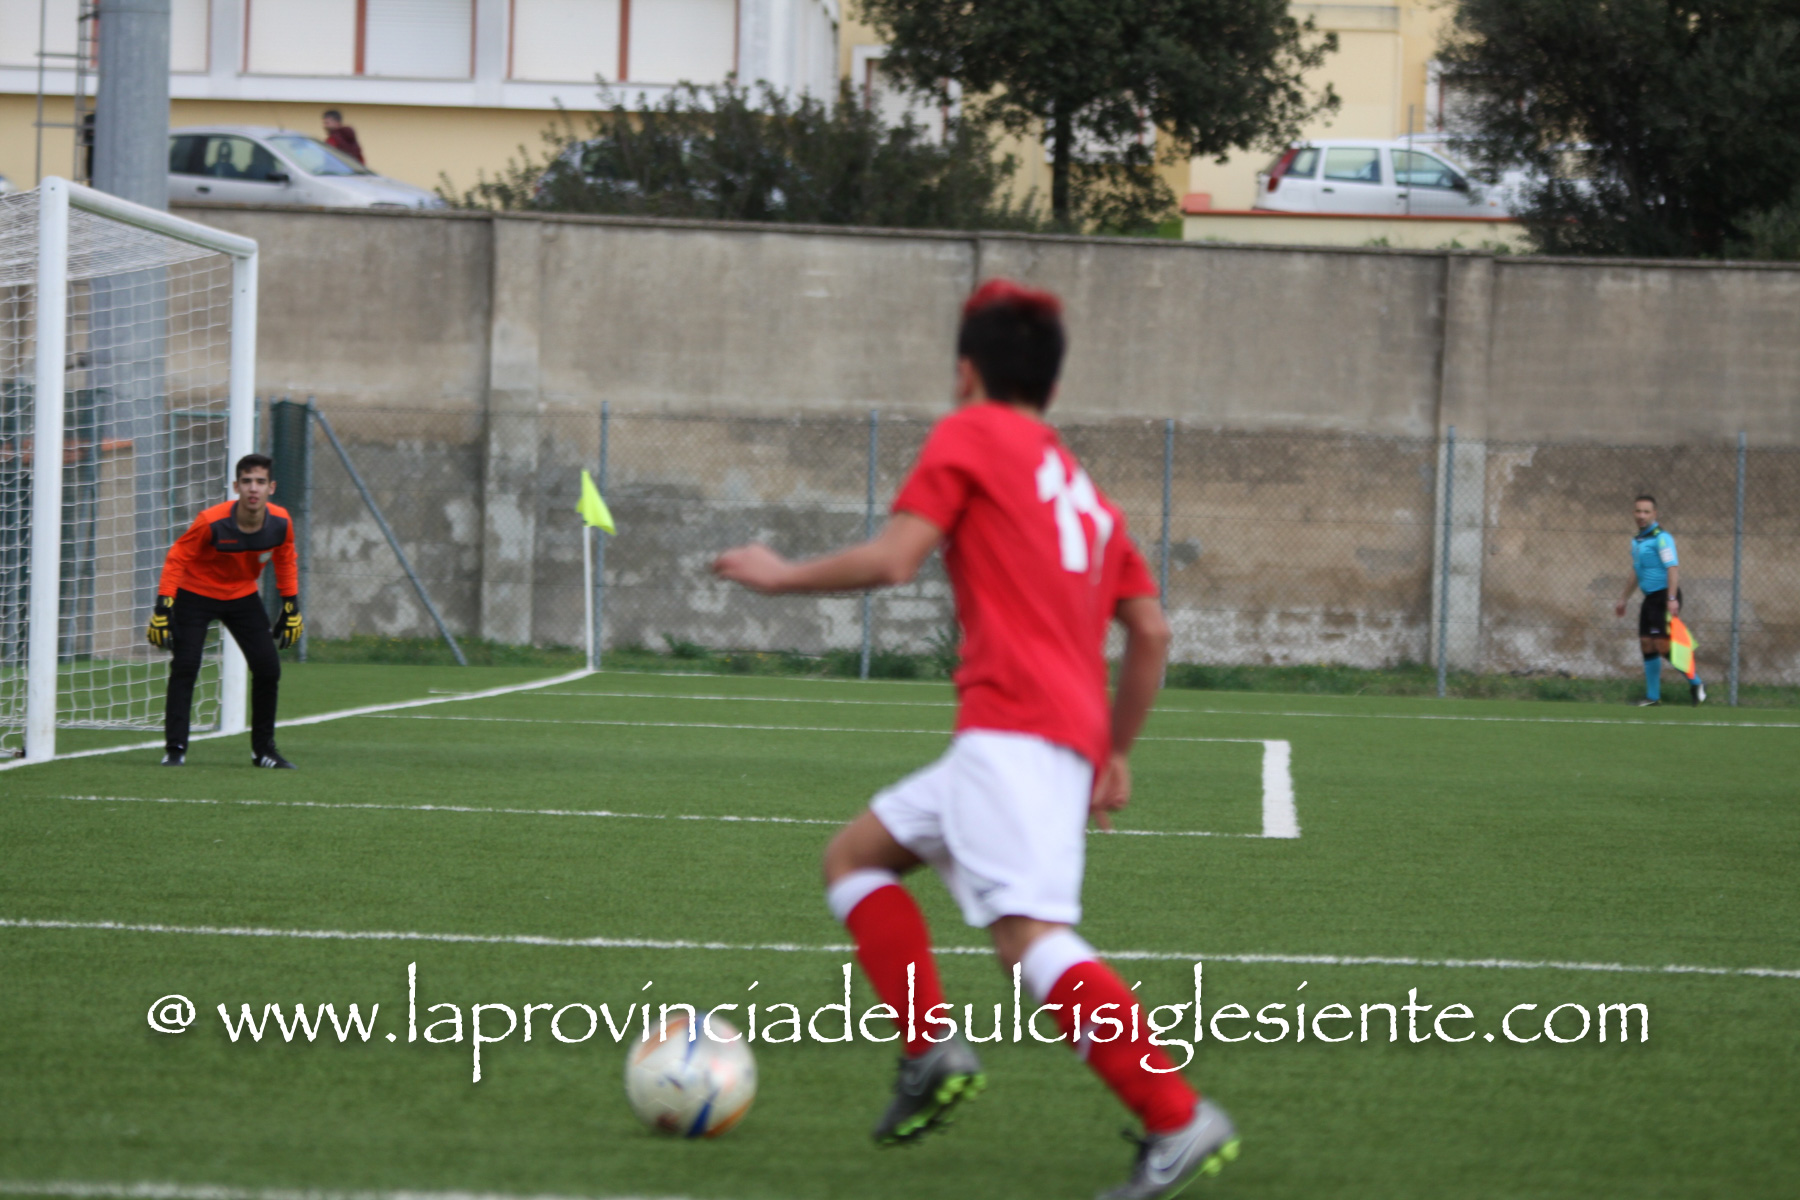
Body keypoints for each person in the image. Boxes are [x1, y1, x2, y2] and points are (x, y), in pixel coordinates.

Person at [713, 280, 1236, 1200]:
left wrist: (779, 574)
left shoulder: (971, 434)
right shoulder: (1087, 494)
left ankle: (1176, 1117)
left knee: (1030, 941)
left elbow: (894, 559)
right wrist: (1115, 752)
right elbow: (1151, 633)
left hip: (1012, 733)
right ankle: (929, 1052)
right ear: (1053, 386)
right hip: (1043, 738)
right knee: (855, 860)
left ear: (966, 373)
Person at [147, 454, 303, 767]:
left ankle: (264, 752)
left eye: (260, 482)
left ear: (271, 487)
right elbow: (177, 558)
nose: (253, 488)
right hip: (195, 593)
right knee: (186, 665)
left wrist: (291, 607)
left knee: (268, 668)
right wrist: (163, 608)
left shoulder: (281, 523)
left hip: (242, 595)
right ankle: (175, 749)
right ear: (236, 486)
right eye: (247, 482)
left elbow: (286, 560)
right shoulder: (211, 521)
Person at [1614, 494, 1704, 706]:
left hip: (1664, 596)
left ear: (1654, 514)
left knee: (1662, 645)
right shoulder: (1637, 541)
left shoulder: (1662, 538)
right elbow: (1636, 571)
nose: (1641, 516)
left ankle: (1697, 683)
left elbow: (1672, 568)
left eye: (1646, 512)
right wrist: (1623, 598)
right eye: (1638, 511)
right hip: (1649, 598)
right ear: (1634, 513)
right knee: (1646, 644)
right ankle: (1653, 697)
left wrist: (1671, 598)